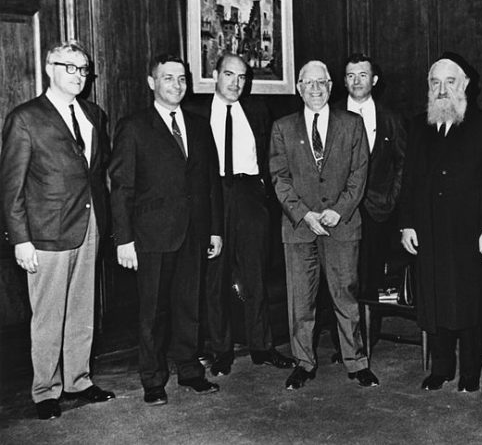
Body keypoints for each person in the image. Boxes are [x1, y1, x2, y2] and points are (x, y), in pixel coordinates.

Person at [0, 40, 115, 420]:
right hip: (46, 232)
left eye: (84, 69)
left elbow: (96, 174)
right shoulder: (25, 118)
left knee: (83, 310)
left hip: (90, 225)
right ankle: (45, 390)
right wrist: (20, 239)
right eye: (70, 67)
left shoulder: (94, 114)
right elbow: (11, 186)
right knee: (48, 314)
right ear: (50, 67)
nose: (79, 76)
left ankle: (79, 381)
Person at [109, 54, 224, 406]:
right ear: (151, 82)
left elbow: (210, 184)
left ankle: (190, 370)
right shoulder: (134, 126)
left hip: (194, 231)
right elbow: (122, 187)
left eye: (182, 79)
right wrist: (124, 239)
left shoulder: (199, 125)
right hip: (150, 235)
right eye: (168, 78)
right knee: (153, 310)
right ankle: (153, 379)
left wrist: (215, 230)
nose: (176, 85)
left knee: (189, 305)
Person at [269, 60, 378, 390]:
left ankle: (356, 362)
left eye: (322, 83)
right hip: (299, 227)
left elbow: (360, 174)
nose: (315, 89)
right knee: (300, 301)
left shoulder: (352, 124)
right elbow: (279, 177)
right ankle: (303, 362)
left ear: (332, 86)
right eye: (308, 83)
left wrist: (338, 211)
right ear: (298, 88)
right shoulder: (282, 127)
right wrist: (304, 214)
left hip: (341, 225)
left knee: (346, 296)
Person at [399, 53, 482, 393]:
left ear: (465, 86)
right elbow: (409, 180)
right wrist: (407, 224)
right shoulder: (418, 125)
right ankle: (441, 368)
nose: (442, 89)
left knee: (470, 303)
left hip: (469, 233)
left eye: (450, 81)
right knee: (435, 301)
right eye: (435, 82)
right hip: (428, 231)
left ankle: (470, 372)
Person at [184, 53, 294, 376]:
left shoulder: (258, 111)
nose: (236, 83)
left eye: (242, 77)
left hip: (250, 196)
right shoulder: (197, 112)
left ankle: (262, 346)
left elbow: (271, 156)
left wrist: (264, 195)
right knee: (215, 276)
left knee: (255, 272)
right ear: (215, 75)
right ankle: (221, 351)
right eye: (229, 75)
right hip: (213, 195)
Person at [327, 53, 407, 359]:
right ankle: (344, 344)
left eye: (363, 75)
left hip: (377, 212)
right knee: (340, 279)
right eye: (350, 75)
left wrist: (390, 199)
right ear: (343, 81)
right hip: (341, 212)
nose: (356, 81)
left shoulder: (391, 117)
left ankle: (367, 341)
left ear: (374, 80)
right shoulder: (331, 115)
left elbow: (403, 163)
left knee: (370, 278)